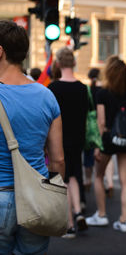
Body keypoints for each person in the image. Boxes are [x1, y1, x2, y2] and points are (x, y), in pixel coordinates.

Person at [0, 20, 65, 254]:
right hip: (37, 198)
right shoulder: (47, 97)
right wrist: (54, 195)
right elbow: (57, 159)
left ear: (0, 51)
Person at [86, 56, 126, 233]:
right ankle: (123, 221)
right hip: (125, 140)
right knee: (125, 182)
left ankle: (101, 214)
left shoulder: (102, 93)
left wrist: (98, 146)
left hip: (107, 139)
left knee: (98, 177)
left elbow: (101, 122)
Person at [48, 47, 88, 238]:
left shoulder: (53, 88)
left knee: (62, 178)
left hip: (60, 138)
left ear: (58, 63)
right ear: (73, 63)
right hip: (78, 138)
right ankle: (78, 211)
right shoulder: (83, 88)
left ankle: (69, 224)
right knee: (73, 175)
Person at [83, 68, 101, 191]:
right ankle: (105, 180)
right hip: (100, 124)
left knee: (88, 154)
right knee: (100, 153)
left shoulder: (87, 90)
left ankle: (88, 179)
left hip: (89, 125)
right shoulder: (102, 90)